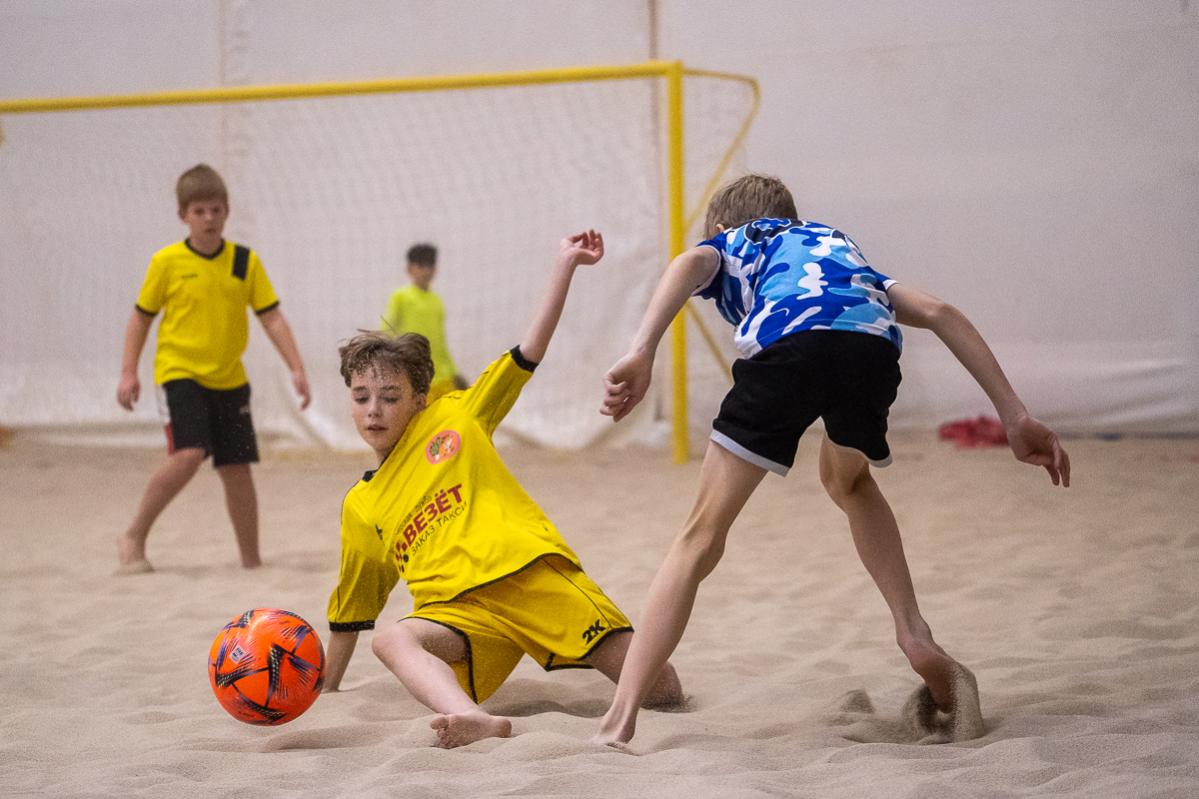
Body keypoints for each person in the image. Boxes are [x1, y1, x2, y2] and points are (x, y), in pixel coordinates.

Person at [592, 174, 1071, 745]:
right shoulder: (835, 247)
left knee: (700, 536)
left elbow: (688, 263)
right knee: (849, 482)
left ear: (721, 226)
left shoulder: (738, 239)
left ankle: (619, 719)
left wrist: (642, 350)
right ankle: (914, 633)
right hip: (870, 348)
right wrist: (1014, 415)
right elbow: (941, 311)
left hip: (790, 346)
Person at [323, 230, 684, 749]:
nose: (374, 410)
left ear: (420, 398)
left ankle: (604, 661)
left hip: (529, 576)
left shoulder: (458, 414)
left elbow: (529, 350)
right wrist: (326, 688)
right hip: (458, 613)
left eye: (390, 396)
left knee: (663, 690)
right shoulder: (362, 505)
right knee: (391, 638)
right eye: (361, 397)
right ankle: (470, 716)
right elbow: (351, 610)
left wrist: (564, 264)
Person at [115, 164, 310, 574]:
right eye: (199, 211)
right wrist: (128, 372)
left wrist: (296, 367)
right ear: (182, 215)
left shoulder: (243, 262)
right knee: (189, 454)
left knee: (237, 469)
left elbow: (272, 318)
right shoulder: (166, 262)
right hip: (179, 373)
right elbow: (140, 319)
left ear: (226, 212)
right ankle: (133, 536)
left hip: (230, 379)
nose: (209, 218)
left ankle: (252, 563)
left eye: (216, 210)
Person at [382, 242, 467, 400]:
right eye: (421, 266)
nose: (426, 271)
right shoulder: (400, 297)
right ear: (409, 269)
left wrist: (455, 372)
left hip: (443, 378)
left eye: (430, 266)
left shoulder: (437, 301)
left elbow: (440, 342)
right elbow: (386, 331)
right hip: (416, 378)